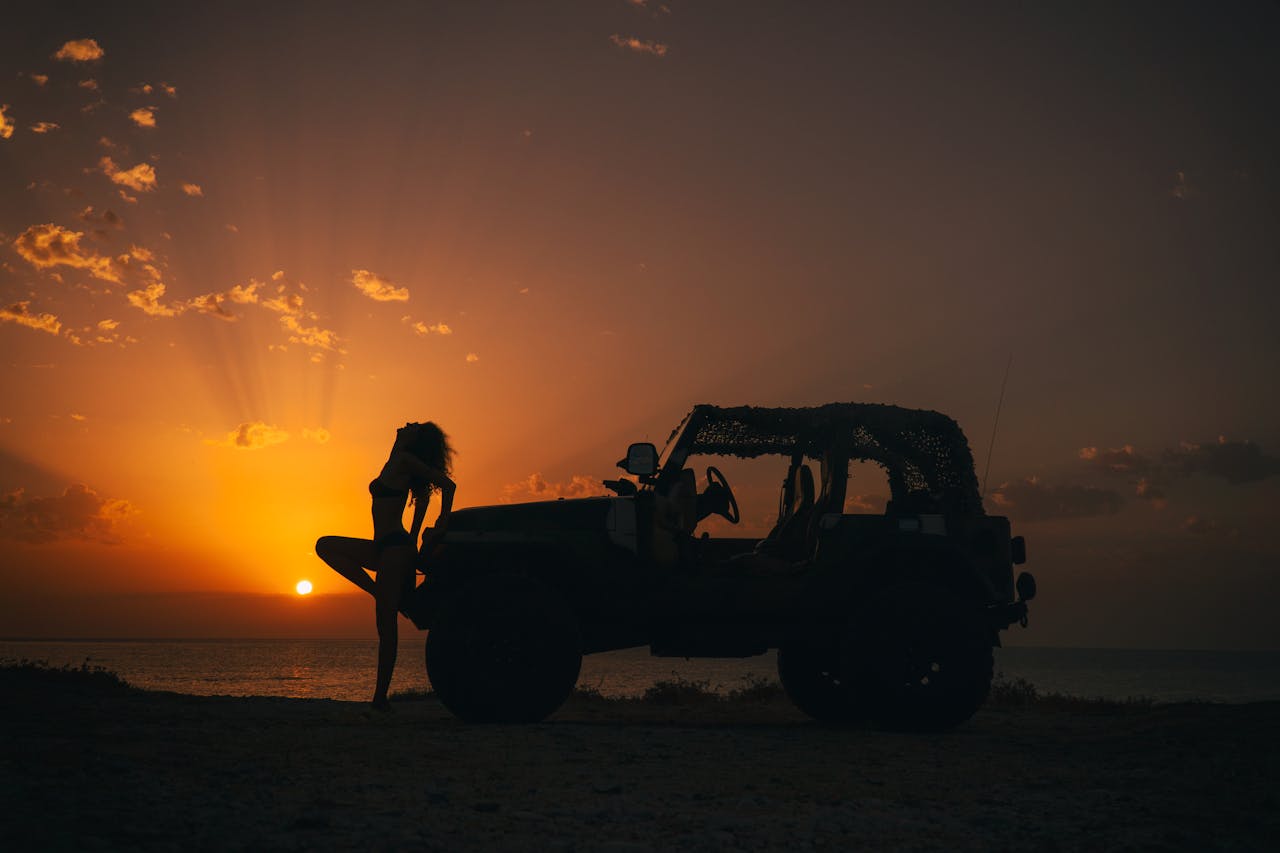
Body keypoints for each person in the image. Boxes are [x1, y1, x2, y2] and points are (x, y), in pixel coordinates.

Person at [315, 421, 455, 710]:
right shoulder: (398, 459)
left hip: (393, 548)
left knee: (386, 625)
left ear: (415, 439)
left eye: (413, 426)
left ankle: (380, 698)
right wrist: (414, 540)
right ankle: (381, 593)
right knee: (325, 545)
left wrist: (442, 524)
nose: (407, 424)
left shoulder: (404, 460)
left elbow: (448, 485)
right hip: (388, 548)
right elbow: (423, 498)